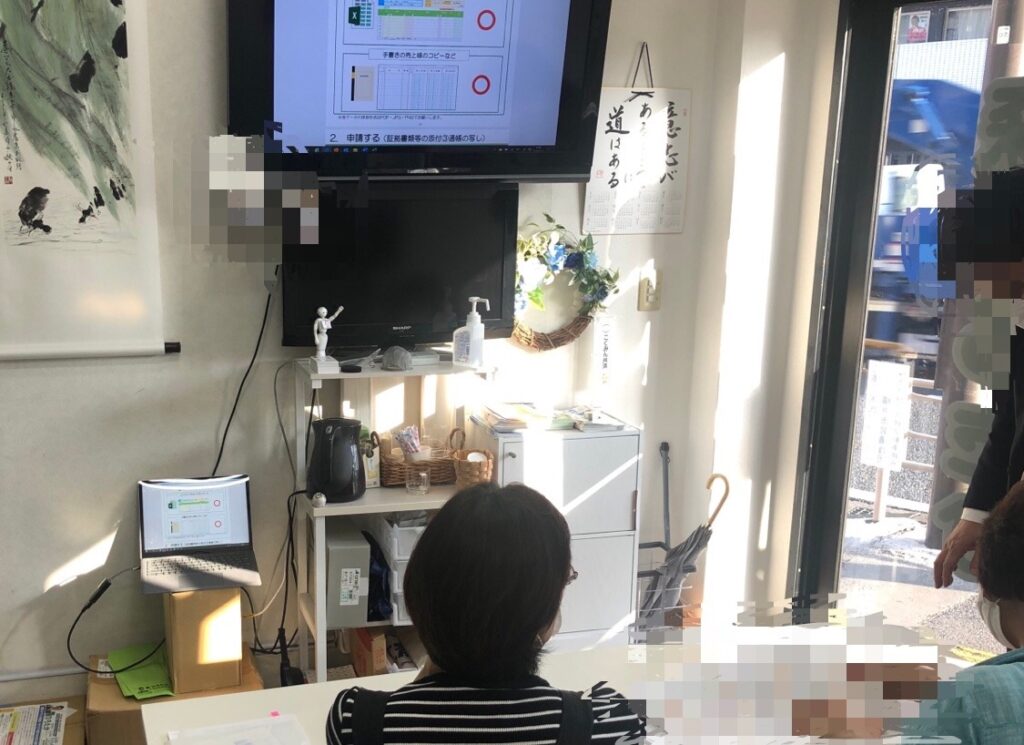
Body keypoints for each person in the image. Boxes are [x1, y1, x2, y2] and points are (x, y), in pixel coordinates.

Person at [326, 483, 646, 745]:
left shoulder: (355, 723)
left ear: (418, 592)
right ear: (543, 617)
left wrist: (437, 657)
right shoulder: (608, 724)